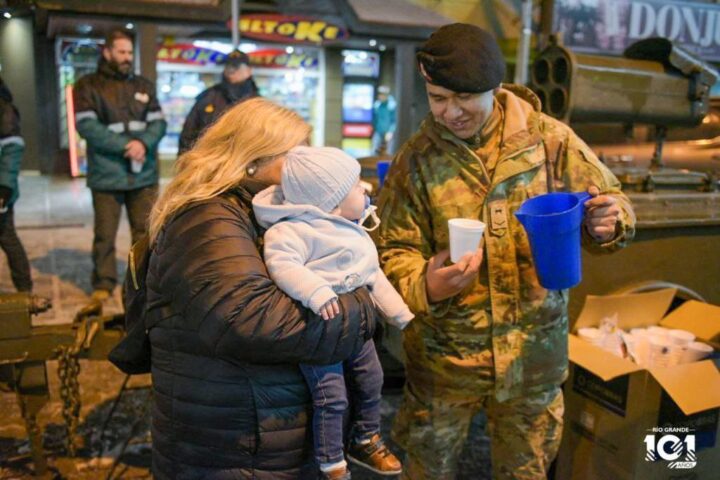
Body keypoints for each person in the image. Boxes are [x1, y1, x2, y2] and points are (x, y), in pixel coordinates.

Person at [376, 23, 636, 480]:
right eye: (438, 98)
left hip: (532, 359)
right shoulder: (415, 161)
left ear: (493, 88)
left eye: (464, 98)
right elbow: (391, 248)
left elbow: (611, 200)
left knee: (525, 473)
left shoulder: (550, 142)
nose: (449, 112)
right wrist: (424, 284)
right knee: (426, 471)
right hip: (444, 363)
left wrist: (608, 222)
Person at [145, 98, 378, 479]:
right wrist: (365, 306)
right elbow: (255, 321)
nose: (306, 163)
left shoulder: (264, 210)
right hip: (235, 451)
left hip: (261, 437)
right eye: (294, 154)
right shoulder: (207, 217)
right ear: (250, 160)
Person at [252, 146, 411, 480]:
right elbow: (282, 265)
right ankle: (331, 459)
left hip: (355, 329)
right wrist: (315, 290)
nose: (364, 190)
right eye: (355, 186)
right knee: (331, 395)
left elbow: (372, 275)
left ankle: (366, 436)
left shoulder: (350, 227)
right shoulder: (290, 231)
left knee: (373, 378)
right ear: (332, 202)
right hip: (320, 330)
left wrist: (399, 314)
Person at [74, 29, 166, 301]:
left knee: (145, 232)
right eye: (121, 52)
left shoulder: (144, 85)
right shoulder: (88, 85)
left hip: (143, 174)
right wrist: (126, 146)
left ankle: (143, 279)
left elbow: (159, 123)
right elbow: (87, 126)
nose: (127, 57)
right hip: (106, 175)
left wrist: (143, 144)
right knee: (105, 234)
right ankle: (103, 283)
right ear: (107, 52)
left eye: (129, 53)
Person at [178, 49, 258, 154]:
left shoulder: (257, 103)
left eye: (236, 66)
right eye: (228, 66)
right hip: (209, 163)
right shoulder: (208, 97)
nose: (231, 70)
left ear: (249, 70)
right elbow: (188, 134)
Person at [0, 76, 32, 292]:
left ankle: (25, 290)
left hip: (1, 190)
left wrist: (3, 188)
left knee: (7, 237)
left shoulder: (4, 109)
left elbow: (12, 150)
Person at [371, 86, 396, 155]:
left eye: (382, 95)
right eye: (379, 94)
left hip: (388, 132)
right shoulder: (377, 105)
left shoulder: (391, 106)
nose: (380, 96)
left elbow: (393, 121)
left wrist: (390, 131)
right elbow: (375, 119)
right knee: (374, 149)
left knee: (388, 151)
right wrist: (374, 128)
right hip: (378, 131)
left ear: (386, 95)